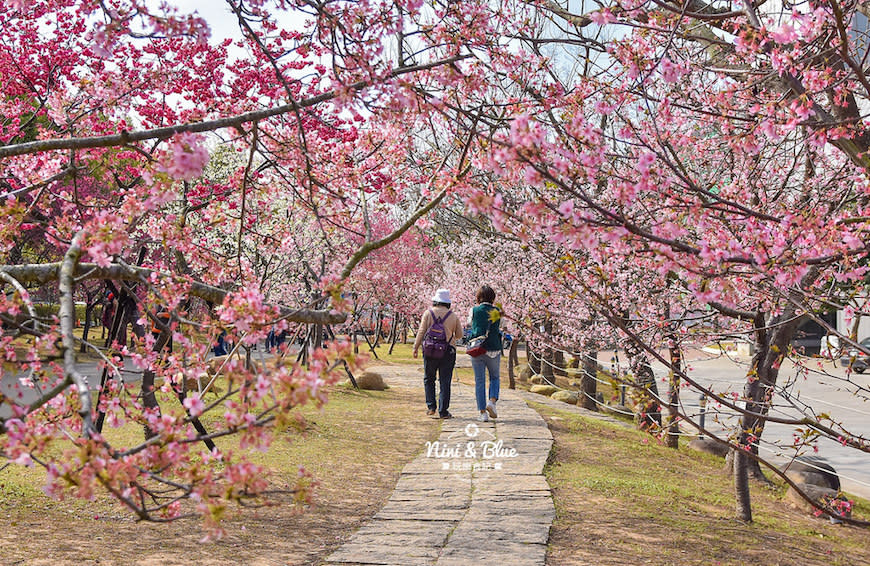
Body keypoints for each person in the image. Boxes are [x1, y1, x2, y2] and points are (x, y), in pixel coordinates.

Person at [413, 288, 462, 419]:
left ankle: (431, 407)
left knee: (429, 378)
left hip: (430, 350)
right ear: (448, 302)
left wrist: (415, 347)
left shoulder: (428, 313)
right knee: (445, 381)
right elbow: (459, 335)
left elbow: (421, 331)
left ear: (435, 300)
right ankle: (443, 411)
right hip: (448, 352)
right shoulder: (453, 316)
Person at [468, 285, 501, 422]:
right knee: (494, 377)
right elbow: (502, 325)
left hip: (477, 349)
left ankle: (482, 413)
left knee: (479, 381)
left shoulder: (474, 310)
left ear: (478, 297)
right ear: (493, 297)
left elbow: (470, 323)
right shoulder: (497, 311)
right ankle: (492, 402)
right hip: (494, 348)